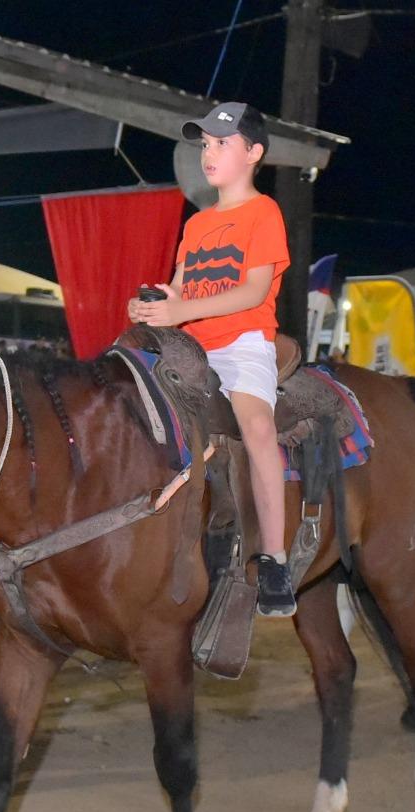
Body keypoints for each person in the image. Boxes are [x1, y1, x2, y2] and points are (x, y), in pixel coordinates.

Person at [128, 102, 296, 617]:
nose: (209, 153)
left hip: (243, 343)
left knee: (259, 429)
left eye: (222, 143)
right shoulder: (197, 222)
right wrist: (155, 304)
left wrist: (182, 306)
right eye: (205, 144)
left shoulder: (263, 212)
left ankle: (274, 557)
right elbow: (179, 287)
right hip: (194, 347)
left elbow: (253, 292)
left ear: (254, 153)